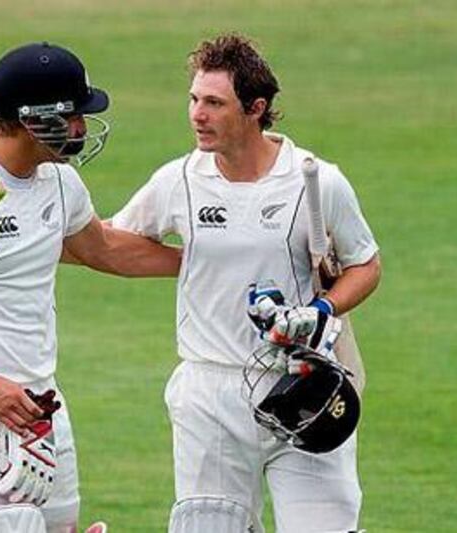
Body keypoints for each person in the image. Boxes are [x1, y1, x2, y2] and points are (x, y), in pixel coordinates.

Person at [0, 42, 180, 533]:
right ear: (33, 119)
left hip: (39, 403)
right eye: (74, 116)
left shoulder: (60, 184)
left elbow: (102, 248)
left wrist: (204, 263)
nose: (83, 129)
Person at [110, 34, 381, 532]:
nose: (197, 114)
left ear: (257, 108)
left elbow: (365, 265)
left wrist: (322, 311)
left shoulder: (316, 181)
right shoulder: (179, 180)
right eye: (194, 100)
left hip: (304, 382)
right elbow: (111, 242)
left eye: (214, 103)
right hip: (210, 393)